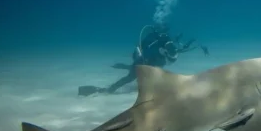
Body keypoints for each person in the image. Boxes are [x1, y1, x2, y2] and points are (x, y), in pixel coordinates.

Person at [78, 24, 209, 96]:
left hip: (148, 63)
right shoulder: (157, 40)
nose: (165, 33)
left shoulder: (160, 39)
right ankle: (104, 90)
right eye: (164, 31)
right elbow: (165, 55)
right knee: (131, 77)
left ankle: (115, 81)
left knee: (134, 75)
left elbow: (172, 54)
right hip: (144, 63)